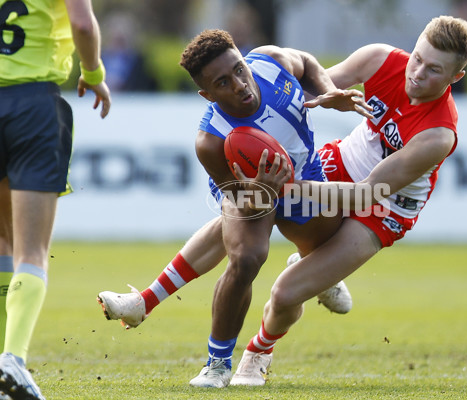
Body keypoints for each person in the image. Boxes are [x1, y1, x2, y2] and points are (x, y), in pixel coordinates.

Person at [96, 29, 371, 389]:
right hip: (248, 187)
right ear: (206, 95)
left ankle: (312, 266)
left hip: (305, 175)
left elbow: (306, 63)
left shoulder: (271, 63)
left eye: (239, 70)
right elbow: (239, 198)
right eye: (223, 83)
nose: (241, 85)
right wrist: (261, 192)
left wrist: (326, 89)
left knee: (323, 241)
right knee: (246, 257)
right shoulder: (212, 140)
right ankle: (217, 364)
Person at [226, 15, 467, 386]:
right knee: (238, 216)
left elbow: (368, 193)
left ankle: (259, 351)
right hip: (338, 161)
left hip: (382, 208)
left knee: (284, 293)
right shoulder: (379, 59)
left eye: (434, 70)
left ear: (455, 78)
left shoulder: (438, 133)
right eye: (418, 58)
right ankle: (149, 297)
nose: (418, 73)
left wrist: (281, 188)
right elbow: (308, 94)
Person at [0, 0, 111, 398]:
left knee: (2, 244)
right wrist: (94, 71)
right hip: (32, 104)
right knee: (32, 251)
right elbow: (82, 23)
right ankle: (11, 358)